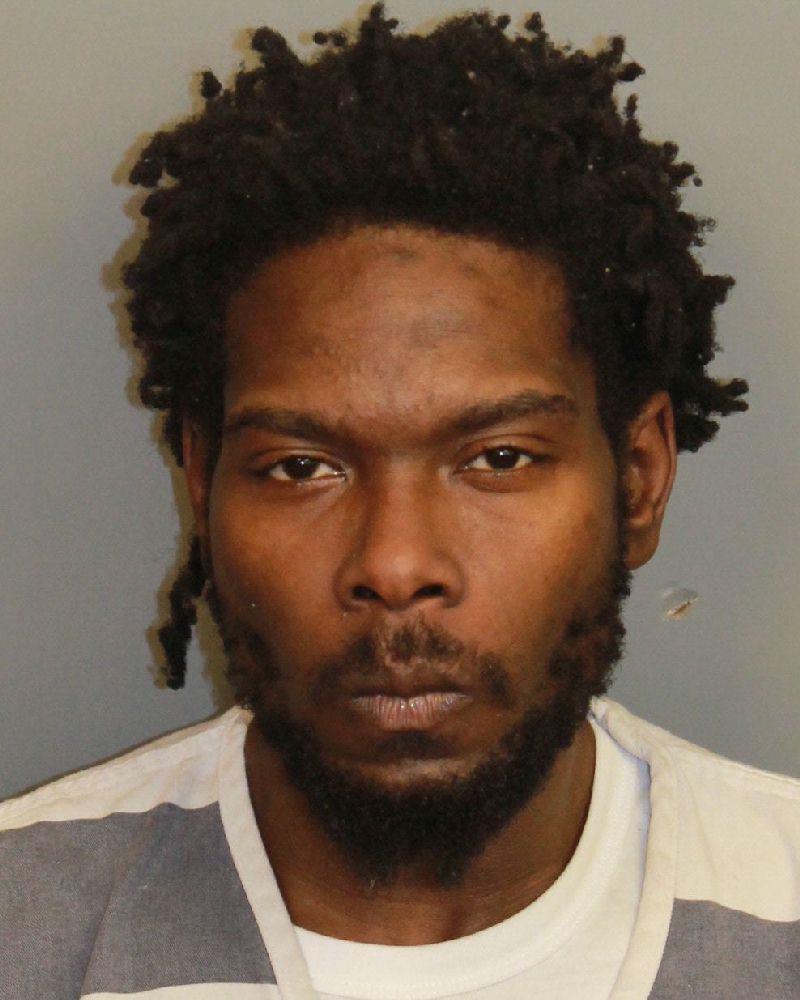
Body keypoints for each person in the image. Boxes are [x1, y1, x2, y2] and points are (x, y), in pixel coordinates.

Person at [1, 5, 797, 998]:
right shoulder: (25, 924)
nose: (393, 564)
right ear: (202, 488)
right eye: (301, 467)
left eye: (498, 457)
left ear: (637, 479)